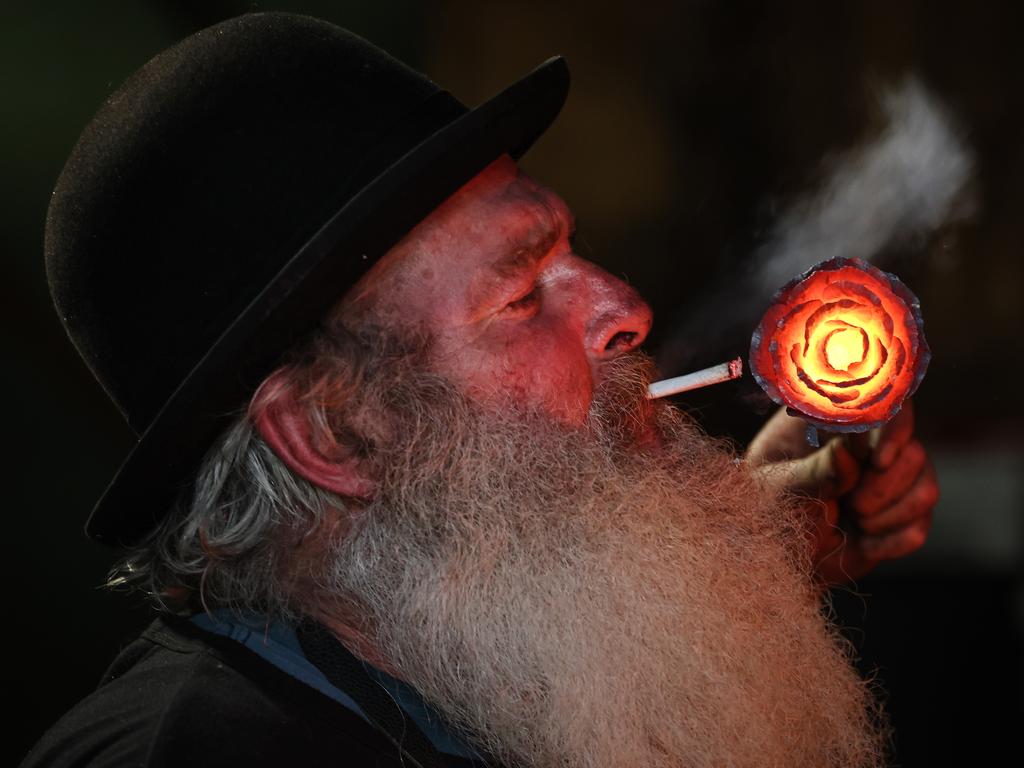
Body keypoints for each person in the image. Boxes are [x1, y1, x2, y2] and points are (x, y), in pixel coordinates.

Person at [24, 12, 938, 768]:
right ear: (332, 434)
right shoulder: (192, 756)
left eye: (569, 252)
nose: (626, 306)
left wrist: (755, 572)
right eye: (521, 292)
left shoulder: (481, 669)